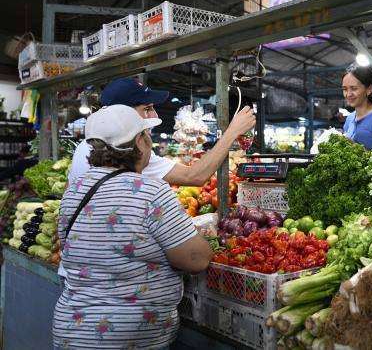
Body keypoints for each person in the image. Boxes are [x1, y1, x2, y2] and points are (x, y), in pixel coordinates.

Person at [53, 105, 213, 349]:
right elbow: (196, 260)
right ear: (140, 141)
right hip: (129, 338)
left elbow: (79, 249)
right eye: (146, 135)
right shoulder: (151, 192)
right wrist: (201, 237)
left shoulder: (74, 190)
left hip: (72, 330)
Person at [68, 77, 256, 185]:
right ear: (123, 113)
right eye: (147, 108)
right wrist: (232, 132)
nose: (155, 114)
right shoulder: (130, 152)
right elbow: (194, 176)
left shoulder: (84, 147)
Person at [342, 64, 372, 151]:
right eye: (345, 89)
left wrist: (355, 147)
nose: (348, 94)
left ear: (369, 89)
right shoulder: (349, 119)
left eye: (354, 88)